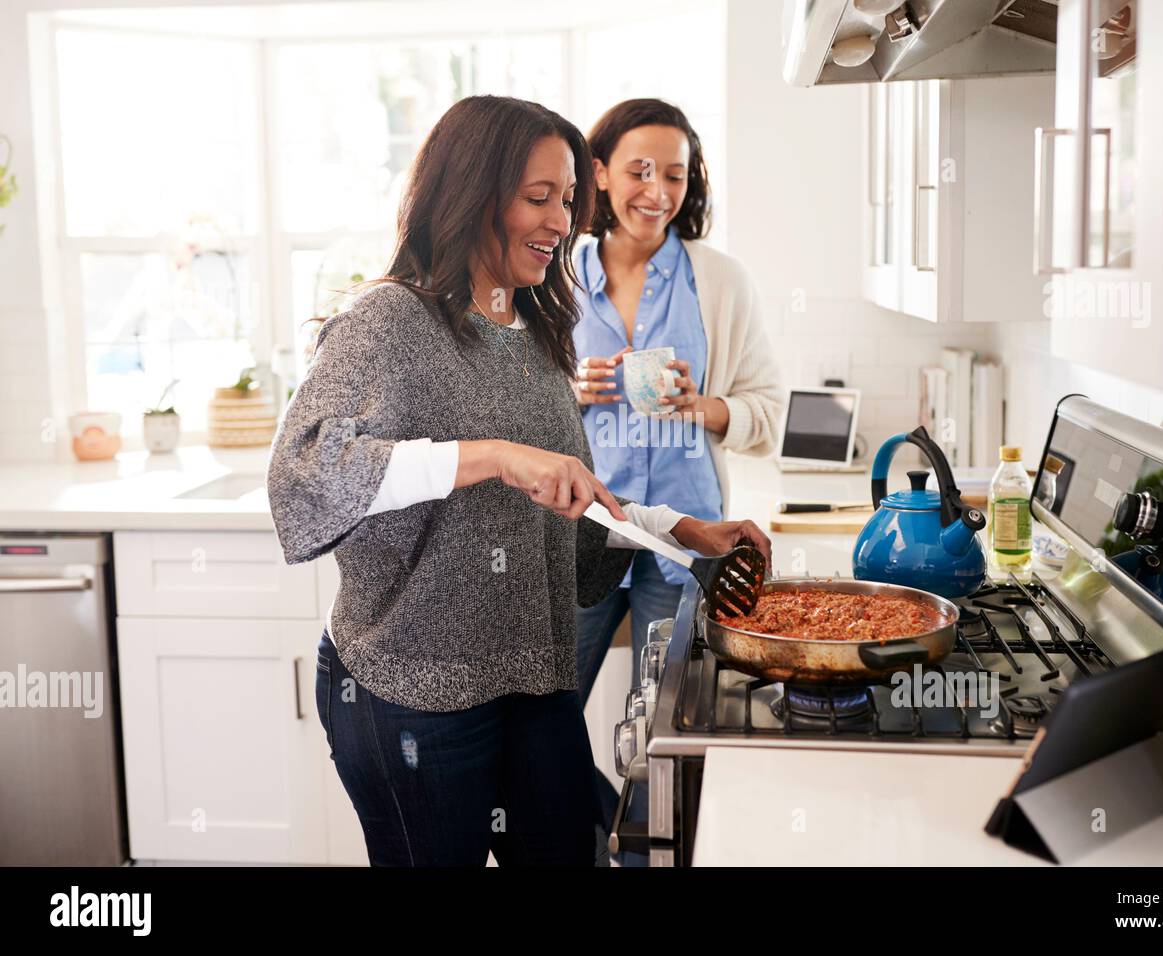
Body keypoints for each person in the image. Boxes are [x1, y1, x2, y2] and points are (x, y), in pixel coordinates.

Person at [265, 95, 769, 866]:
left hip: (530, 678)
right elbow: (304, 474)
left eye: (568, 200)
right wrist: (492, 455)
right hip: (412, 689)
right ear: (470, 194)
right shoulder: (387, 322)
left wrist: (675, 528)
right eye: (538, 198)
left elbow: (561, 502)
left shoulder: (532, 334)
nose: (561, 221)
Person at [570, 99, 783, 842]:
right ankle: (603, 841)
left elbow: (767, 408)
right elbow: (510, 411)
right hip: (583, 531)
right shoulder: (552, 276)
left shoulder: (718, 280)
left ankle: (652, 854)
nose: (657, 190)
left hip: (685, 540)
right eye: (638, 170)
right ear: (597, 173)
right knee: (540, 718)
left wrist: (703, 406)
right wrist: (568, 391)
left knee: (667, 733)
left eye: (675, 174)